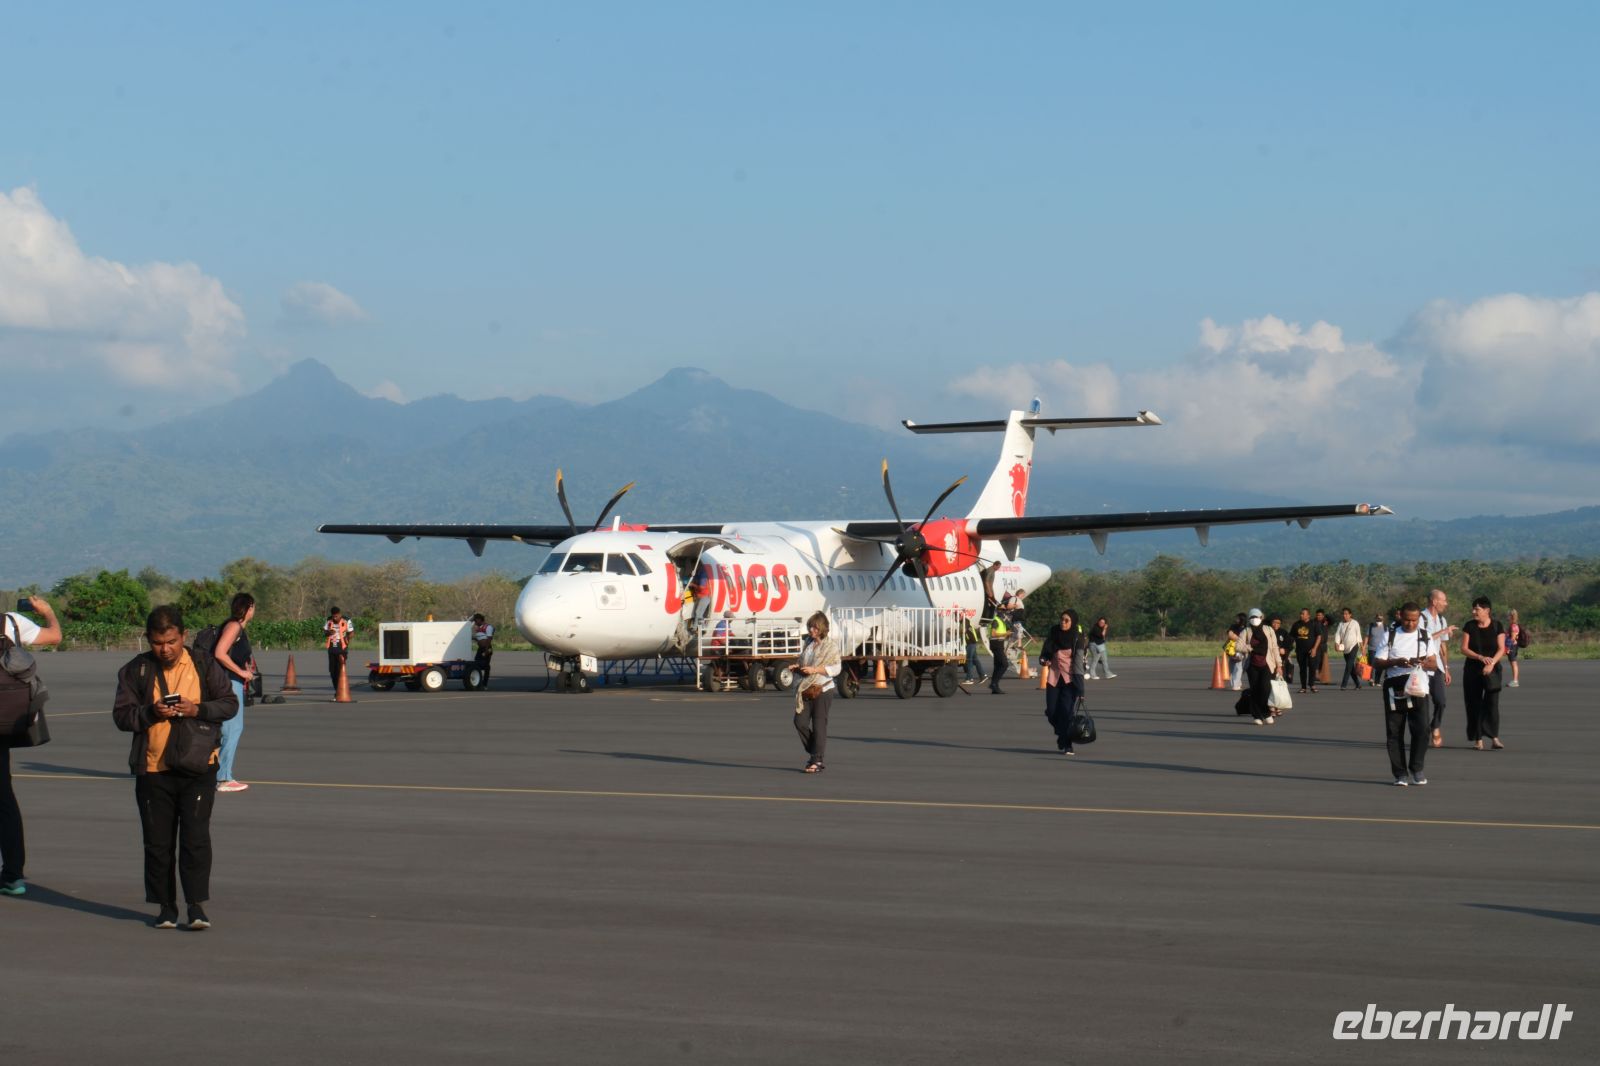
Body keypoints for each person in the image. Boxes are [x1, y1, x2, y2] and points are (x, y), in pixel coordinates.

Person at [112, 605, 238, 928]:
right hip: (153, 770)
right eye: (157, 642)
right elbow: (122, 716)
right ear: (148, 640)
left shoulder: (204, 664)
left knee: (196, 840)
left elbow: (229, 704)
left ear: (184, 635)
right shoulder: (134, 671)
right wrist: (150, 712)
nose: (165, 649)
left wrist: (197, 708)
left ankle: (196, 906)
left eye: (171, 641)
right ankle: (165, 907)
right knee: (157, 843)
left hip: (198, 768)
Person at [1, 595, 62, 897]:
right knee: (4, 800)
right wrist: (47, 612)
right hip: (3, 725)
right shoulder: (11, 622)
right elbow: (54, 636)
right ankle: (13, 875)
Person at [1372, 601, 1437, 786]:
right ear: (1400, 616)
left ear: (1419, 619)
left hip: (1417, 684)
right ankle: (1400, 774)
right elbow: (1377, 662)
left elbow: (1433, 663)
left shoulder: (1425, 636)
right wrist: (1395, 662)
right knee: (1394, 731)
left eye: (1414, 620)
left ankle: (1417, 768)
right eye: (1407, 620)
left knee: (1422, 729)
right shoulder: (1390, 635)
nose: (1410, 624)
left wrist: (1422, 663)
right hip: (1395, 684)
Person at [211, 592, 256, 793]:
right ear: (248, 608)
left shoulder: (236, 627)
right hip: (229, 683)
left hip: (231, 681)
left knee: (225, 729)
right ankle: (223, 778)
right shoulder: (234, 626)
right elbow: (219, 652)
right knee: (232, 728)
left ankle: (216, 773)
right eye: (253, 607)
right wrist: (241, 672)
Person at [791, 612, 841, 773]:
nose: (811, 630)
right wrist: (797, 667)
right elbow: (803, 661)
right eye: (809, 627)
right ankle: (816, 751)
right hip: (807, 687)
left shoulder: (830, 646)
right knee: (800, 722)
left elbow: (836, 668)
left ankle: (817, 760)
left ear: (821, 628)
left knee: (819, 725)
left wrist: (815, 669)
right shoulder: (808, 643)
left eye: (814, 627)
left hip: (823, 688)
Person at [1459, 596, 1506, 750]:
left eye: (1477, 609)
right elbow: (1464, 648)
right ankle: (1478, 739)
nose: (1474, 612)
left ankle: (1494, 737)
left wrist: (1491, 663)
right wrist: (1480, 657)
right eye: (1473, 609)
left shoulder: (1497, 626)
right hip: (1473, 670)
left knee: (1492, 704)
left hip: (1492, 670)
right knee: (1474, 704)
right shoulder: (1469, 626)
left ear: (1487, 610)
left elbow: (1502, 649)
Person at [1040, 609, 1087, 754]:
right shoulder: (1054, 633)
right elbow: (1045, 652)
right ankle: (1062, 735)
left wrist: (1080, 690)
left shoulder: (1077, 638)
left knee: (1066, 713)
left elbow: (1079, 665)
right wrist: (1044, 660)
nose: (1063, 622)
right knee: (1052, 712)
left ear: (1072, 622)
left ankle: (1067, 744)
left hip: (1070, 681)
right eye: (1061, 619)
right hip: (1053, 679)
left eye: (1067, 620)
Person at [1232, 608, 1280, 725]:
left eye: (1256, 617)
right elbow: (1238, 646)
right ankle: (1257, 715)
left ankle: (1266, 712)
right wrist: (1250, 648)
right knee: (1255, 690)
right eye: (1252, 617)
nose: (1254, 619)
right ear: (1249, 619)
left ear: (1262, 618)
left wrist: (1279, 665)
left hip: (1267, 664)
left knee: (1265, 689)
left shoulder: (1268, 630)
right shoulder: (1246, 631)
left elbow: (1274, 648)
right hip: (1252, 665)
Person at [1420, 589, 1454, 747]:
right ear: (1434, 602)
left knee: (1441, 701)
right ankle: (1423, 733)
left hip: (1437, 667)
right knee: (1422, 703)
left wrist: (1446, 668)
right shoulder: (1420, 618)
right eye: (1443, 600)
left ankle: (1435, 726)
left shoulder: (1442, 620)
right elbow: (1422, 640)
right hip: (1422, 667)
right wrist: (1443, 632)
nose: (1445, 604)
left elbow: (1442, 647)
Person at [1289, 608, 1322, 694]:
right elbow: (1291, 637)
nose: (1301, 615)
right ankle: (1303, 687)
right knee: (1302, 669)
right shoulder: (1296, 624)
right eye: (1301, 613)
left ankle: (1312, 685)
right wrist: (1288, 648)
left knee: (1312, 667)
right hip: (1300, 650)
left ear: (1308, 615)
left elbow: (1319, 637)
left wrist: (1314, 649)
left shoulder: (1314, 623)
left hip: (1312, 650)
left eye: (1303, 614)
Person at [1334, 607, 1364, 690]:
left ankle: (1343, 685)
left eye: (1346, 614)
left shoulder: (1355, 623)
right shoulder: (1341, 624)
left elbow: (1359, 636)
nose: (1345, 615)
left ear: (1350, 614)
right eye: (1343, 614)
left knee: (1348, 666)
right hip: (1345, 648)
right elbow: (1338, 635)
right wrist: (1336, 644)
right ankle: (1358, 684)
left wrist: (1362, 648)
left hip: (1354, 646)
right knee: (1351, 668)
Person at [324, 606, 354, 689]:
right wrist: (329, 632)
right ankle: (337, 690)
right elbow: (325, 632)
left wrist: (347, 638)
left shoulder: (347, 620)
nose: (335, 618)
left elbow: (351, 633)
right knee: (333, 672)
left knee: (340, 669)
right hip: (332, 648)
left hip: (342, 648)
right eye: (333, 616)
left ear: (340, 614)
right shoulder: (328, 620)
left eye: (336, 616)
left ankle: (342, 689)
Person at [987, 601, 1011, 694]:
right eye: (1001, 609)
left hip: (999, 644)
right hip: (996, 644)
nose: (1003, 611)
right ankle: (994, 683)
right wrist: (1006, 633)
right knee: (1004, 664)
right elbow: (993, 633)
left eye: (1004, 610)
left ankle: (994, 686)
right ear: (998, 610)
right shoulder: (996, 620)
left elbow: (1001, 635)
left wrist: (1007, 634)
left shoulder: (1002, 621)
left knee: (998, 665)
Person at [960, 613, 986, 686]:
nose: (954, 619)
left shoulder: (965, 621)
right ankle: (983, 675)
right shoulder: (963, 621)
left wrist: (954, 631)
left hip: (971, 643)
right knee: (975, 660)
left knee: (969, 660)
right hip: (972, 642)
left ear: (961, 616)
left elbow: (963, 631)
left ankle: (969, 678)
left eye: (955, 617)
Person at [1225, 613, 1248, 690]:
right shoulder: (1234, 626)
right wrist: (1239, 639)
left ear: (1242, 619)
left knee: (1239, 666)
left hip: (1241, 649)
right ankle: (1235, 684)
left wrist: (1237, 638)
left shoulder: (1246, 628)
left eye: (1238, 618)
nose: (1236, 620)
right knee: (1233, 666)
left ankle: (1236, 683)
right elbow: (1230, 634)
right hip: (1232, 649)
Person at [471, 613, 495, 688]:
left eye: (475, 621)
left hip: (486, 648)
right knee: (476, 665)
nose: (475, 623)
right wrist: (473, 638)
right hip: (480, 649)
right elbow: (480, 638)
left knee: (486, 666)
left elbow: (489, 639)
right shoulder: (478, 628)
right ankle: (479, 682)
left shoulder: (488, 627)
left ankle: (484, 684)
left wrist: (486, 650)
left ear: (479, 619)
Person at [1505, 608, 1524, 687]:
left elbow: (1512, 638)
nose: (1507, 617)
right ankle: (1515, 680)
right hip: (1513, 646)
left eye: (1508, 615)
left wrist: (1508, 648)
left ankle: (1515, 681)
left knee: (1513, 663)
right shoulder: (1513, 625)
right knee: (1513, 663)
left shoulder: (1513, 626)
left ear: (1512, 616)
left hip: (1512, 646)